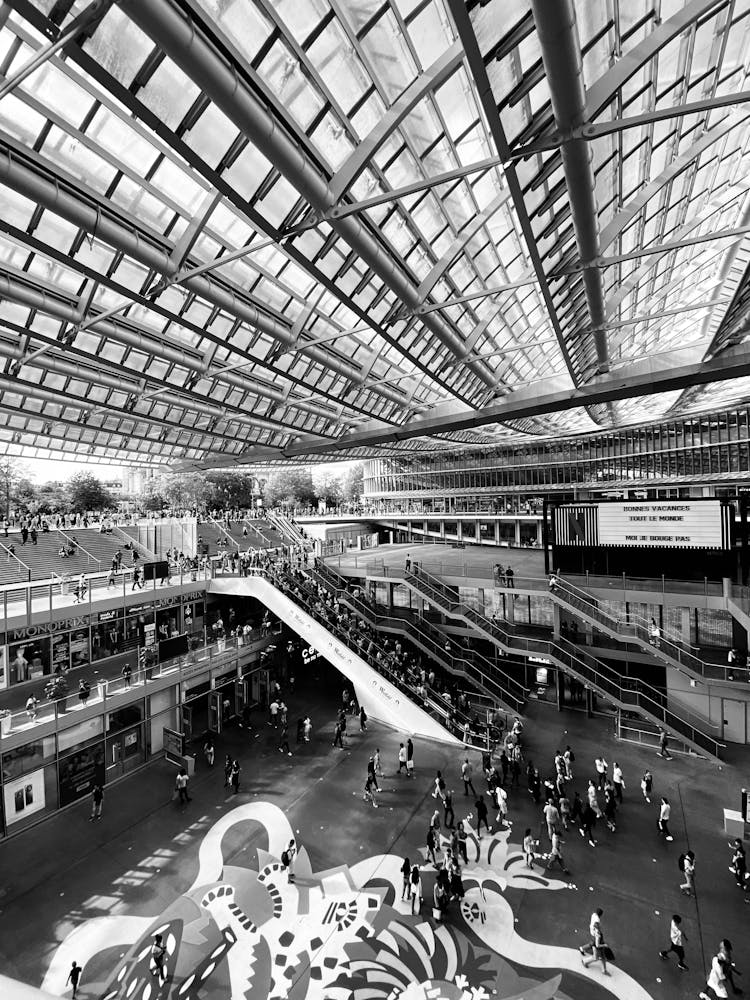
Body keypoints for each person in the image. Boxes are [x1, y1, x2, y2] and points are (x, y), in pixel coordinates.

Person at [579, 907, 609, 975]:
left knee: (603, 957)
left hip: (595, 939)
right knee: (595, 957)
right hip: (597, 944)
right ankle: (585, 961)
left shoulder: (593, 915)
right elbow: (597, 944)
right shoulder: (598, 934)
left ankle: (604, 970)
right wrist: (604, 945)